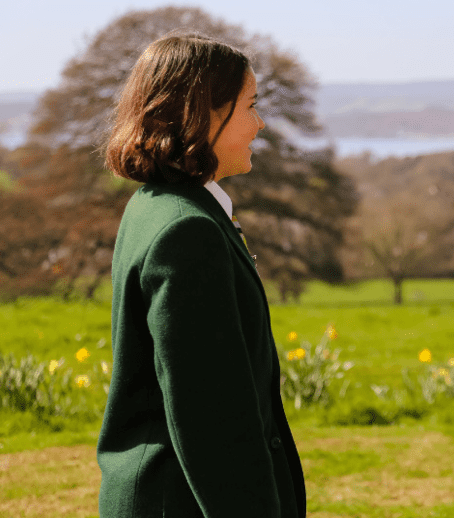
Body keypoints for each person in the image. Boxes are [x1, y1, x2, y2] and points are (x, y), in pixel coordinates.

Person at [97, 33, 306, 518]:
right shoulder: (188, 231)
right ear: (206, 112)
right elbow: (211, 418)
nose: (259, 124)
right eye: (250, 106)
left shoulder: (152, 206)